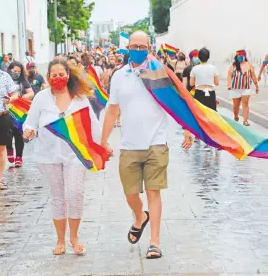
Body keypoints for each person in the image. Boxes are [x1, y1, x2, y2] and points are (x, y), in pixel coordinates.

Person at [101, 31, 193, 259]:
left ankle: (154, 242)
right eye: (134, 46)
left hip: (156, 144)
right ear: (127, 48)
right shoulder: (120, 76)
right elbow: (113, 109)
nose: (138, 50)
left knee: (154, 192)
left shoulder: (160, 74)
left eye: (143, 46)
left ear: (149, 48)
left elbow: (179, 102)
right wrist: (102, 141)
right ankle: (139, 217)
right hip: (129, 145)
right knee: (130, 193)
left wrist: (187, 128)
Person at [23, 59, 102, 255]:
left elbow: (92, 124)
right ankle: (60, 240)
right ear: (48, 77)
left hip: (75, 154)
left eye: (61, 74)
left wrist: (100, 146)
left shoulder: (79, 98)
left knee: (75, 193)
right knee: (57, 197)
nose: (58, 78)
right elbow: (30, 122)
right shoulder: (41, 98)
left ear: (68, 75)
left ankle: (74, 237)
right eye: (54, 75)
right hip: (48, 155)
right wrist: (29, 131)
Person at [0, 49, 18, 190]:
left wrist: (10, 99)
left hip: (1, 116)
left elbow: (15, 93)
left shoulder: (4, 76)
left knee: (0, 148)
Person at [6, 61, 34, 167]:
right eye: (15, 71)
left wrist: (21, 98)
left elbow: (31, 93)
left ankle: (19, 157)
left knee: (18, 133)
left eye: (19, 71)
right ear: (10, 69)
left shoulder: (23, 81)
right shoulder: (3, 79)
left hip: (19, 112)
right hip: (6, 111)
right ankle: (9, 149)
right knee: (7, 133)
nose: (17, 73)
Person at [227, 50, 259, 126]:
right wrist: (229, 84)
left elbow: (253, 76)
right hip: (235, 88)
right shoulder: (233, 65)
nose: (240, 57)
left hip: (246, 88)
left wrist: (256, 86)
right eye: (239, 56)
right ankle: (236, 116)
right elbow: (229, 75)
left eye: (242, 56)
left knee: (245, 104)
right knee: (236, 106)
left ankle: (245, 121)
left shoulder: (249, 65)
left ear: (245, 56)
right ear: (236, 57)